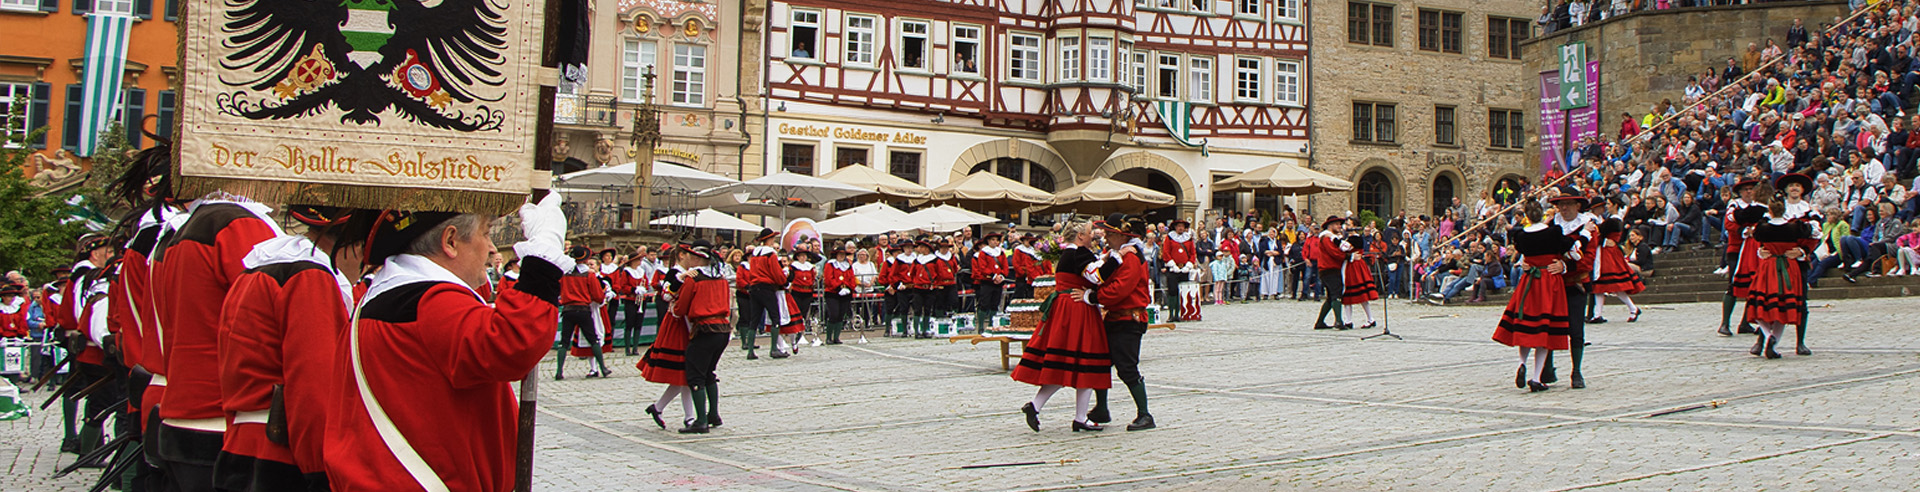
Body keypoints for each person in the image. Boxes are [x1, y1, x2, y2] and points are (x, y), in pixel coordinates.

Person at [323, 194, 569, 491]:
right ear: (451, 241)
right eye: (486, 233)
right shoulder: (429, 299)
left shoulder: (389, 295)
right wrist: (544, 253)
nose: (491, 247)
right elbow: (513, 343)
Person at [213, 205, 373, 491]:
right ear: (352, 245)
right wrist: (320, 471)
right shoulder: (308, 276)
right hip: (280, 455)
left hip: (243, 445)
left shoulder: (260, 268)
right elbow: (314, 388)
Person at [150, 193, 283, 491]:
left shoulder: (190, 226)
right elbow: (264, 316)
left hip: (185, 411)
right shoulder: (238, 224)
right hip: (220, 416)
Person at [1013, 220, 1111, 432]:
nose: (1092, 236)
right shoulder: (1079, 253)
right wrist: (1116, 259)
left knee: (1064, 364)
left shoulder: (1068, 254)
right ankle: (1078, 417)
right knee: (1085, 362)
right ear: (1080, 237)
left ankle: (1037, 406)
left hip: (1065, 308)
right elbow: (1097, 276)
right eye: (1088, 233)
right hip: (1078, 309)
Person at [1494, 200, 1578, 392]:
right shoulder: (1554, 232)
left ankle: (1522, 363)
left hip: (1529, 281)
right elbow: (1572, 249)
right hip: (1548, 279)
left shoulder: (1520, 235)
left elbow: (1524, 255)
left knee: (1526, 325)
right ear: (1542, 215)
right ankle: (1536, 377)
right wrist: (1585, 235)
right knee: (1544, 329)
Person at [1087, 214, 1156, 432]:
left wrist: (1095, 296)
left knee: (1127, 367)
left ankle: (1145, 414)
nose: (1105, 237)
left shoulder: (1132, 258)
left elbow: (1119, 289)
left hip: (1129, 318)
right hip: (1116, 317)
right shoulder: (1119, 255)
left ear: (1120, 235)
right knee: (1101, 363)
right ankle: (1101, 408)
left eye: (1108, 233)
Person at [670, 240, 731, 434]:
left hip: (704, 328)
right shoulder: (721, 278)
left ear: (698, 258)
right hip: (722, 329)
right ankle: (714, 414)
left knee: (695, 374)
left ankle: (701, 420)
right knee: (709, 373)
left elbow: (681, 308)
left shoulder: (694, 279)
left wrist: (674, 308)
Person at [1742, 197, 1814, 359]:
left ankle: (1769, 337)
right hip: (1789, 267)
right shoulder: (1795, 227)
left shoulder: (1762, 228)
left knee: (1764, 303)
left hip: (1770, 267)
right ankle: (1771, 340)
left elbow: (1756, 240)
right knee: (1784, 303)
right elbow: (1811, 232)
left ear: (1771, 210)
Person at [1546, 192, 1597, 389]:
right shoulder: (1552, 225)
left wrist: (1565, 267)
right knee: (1548, 325)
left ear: (1577, 206)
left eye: (1568, 204)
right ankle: (1547, 368)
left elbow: (1588, 258)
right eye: (1561, 205)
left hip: (1575, 284)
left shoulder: (1589, 227)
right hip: (1553, 283)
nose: (1564, 208)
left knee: (1576, 328)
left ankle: (1576, 371)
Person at [640, 246, 692, 430]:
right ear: (681, 256)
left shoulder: (687, 272)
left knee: (685, 374)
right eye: (690, 254)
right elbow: (666, 294)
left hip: (685, 323)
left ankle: (679, 413)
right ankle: (687, 416)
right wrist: (680, 280)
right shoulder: (674, 273)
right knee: (683, 372)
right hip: (676, 324)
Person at [1719, 178, 1769, 336]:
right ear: (1740, 192)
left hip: (1756, 249)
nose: (1749, 191)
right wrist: (1743, 231)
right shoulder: (1734, 205)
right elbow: (1729, 223)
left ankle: (1746, 322)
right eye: (1746, 189)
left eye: (1751, 189)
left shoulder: (1760, 207)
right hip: (1737, 248)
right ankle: (1725, 323)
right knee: (1734, 284)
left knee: (1756, 284)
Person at [555, 245, 611, 379]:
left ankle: (559, 371)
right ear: (586, 259)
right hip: (583, 310)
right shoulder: (589, 274)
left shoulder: (565, 274)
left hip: (568, 309)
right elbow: (598, 296)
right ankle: (602, 367)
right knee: (593, 339)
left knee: (564, 341)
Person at [1588, 198, 1646, 323]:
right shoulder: (1609, 219)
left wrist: (1601, 239)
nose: (1606, 207)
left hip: (1607, 253)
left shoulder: (1612, 220)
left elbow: (1598, 235)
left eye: (1608, 204)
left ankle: (1632, 308)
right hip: (1605, 252)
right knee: (1601, 285)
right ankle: (1597, 314)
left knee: (1612, 283)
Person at [1310, 217, 1349, 330]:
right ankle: (1339, 321)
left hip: (1329, 269)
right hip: (1329, 269)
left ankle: (1320, 322)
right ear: (1330, 226)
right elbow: (1334, 253)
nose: (1339, 226)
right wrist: (1348, 256)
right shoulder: (1326, 238)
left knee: (1330, 297)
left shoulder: (1332, 238)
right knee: (1336, 294)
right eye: (1336, 224)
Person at [1340, 225, 1381, 330]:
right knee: (1347, 295)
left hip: (1355, 266)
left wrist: (1336, 239)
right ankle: (1348, 320)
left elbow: (1343, 247)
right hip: (1351, 265)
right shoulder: (1350, 238)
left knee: (1361, 293)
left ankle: (1370, 319)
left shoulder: (1355, 238)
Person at [1160, 219, 1199, 321]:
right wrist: (1172, 265)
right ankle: (1172, 313)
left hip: (1185, 269)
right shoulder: (1170, 238)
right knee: (1172, 291)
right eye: (1179, 226)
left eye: (1182, 226)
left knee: (1183, 292)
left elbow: (1192, 253)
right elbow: (1166, 252)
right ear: (1175, 227)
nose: (1180, 228)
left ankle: (1183, 313)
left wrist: (1188, 265)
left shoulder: (1188, 238)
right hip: (1173, 269)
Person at [821, 247, 857, 345]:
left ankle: (836, 337)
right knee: (834, 314)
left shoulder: (848, 266)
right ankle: (829, 337)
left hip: (845, 293)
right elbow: (828, 279)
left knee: (841, 315)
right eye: (840, 254)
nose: (841, 256)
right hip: (833, 293)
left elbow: (852, 278)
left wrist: (849, 288)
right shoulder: (830, 264)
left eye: (843, 254)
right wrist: (838, 288)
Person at [971, 233, 1007, 331]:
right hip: (987, 281)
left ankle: (992, 324)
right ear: (988, 241)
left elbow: (1005, 266)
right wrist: (993, 276)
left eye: (996, 240)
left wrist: (1002, 276)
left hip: (999, 281)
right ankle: (981, 326)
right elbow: (983, 267)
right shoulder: (983, 253)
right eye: (993, 240)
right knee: (984, 303)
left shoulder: (1001, 252)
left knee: (995, 303)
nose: (995, 242)